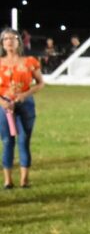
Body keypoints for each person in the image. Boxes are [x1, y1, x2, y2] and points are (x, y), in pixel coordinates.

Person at [0, 28, 45, 189]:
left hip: (24, 105)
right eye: (6, 39)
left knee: (24, 140)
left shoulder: (30, 62)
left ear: (19, 42)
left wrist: (25, 95)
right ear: (2, 43)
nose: (9, 41)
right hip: (4, 106)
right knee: (6, 141)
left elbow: (40, 83)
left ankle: (24, 180)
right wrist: (2, 102)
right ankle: (8, 180)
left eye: (13, 38)